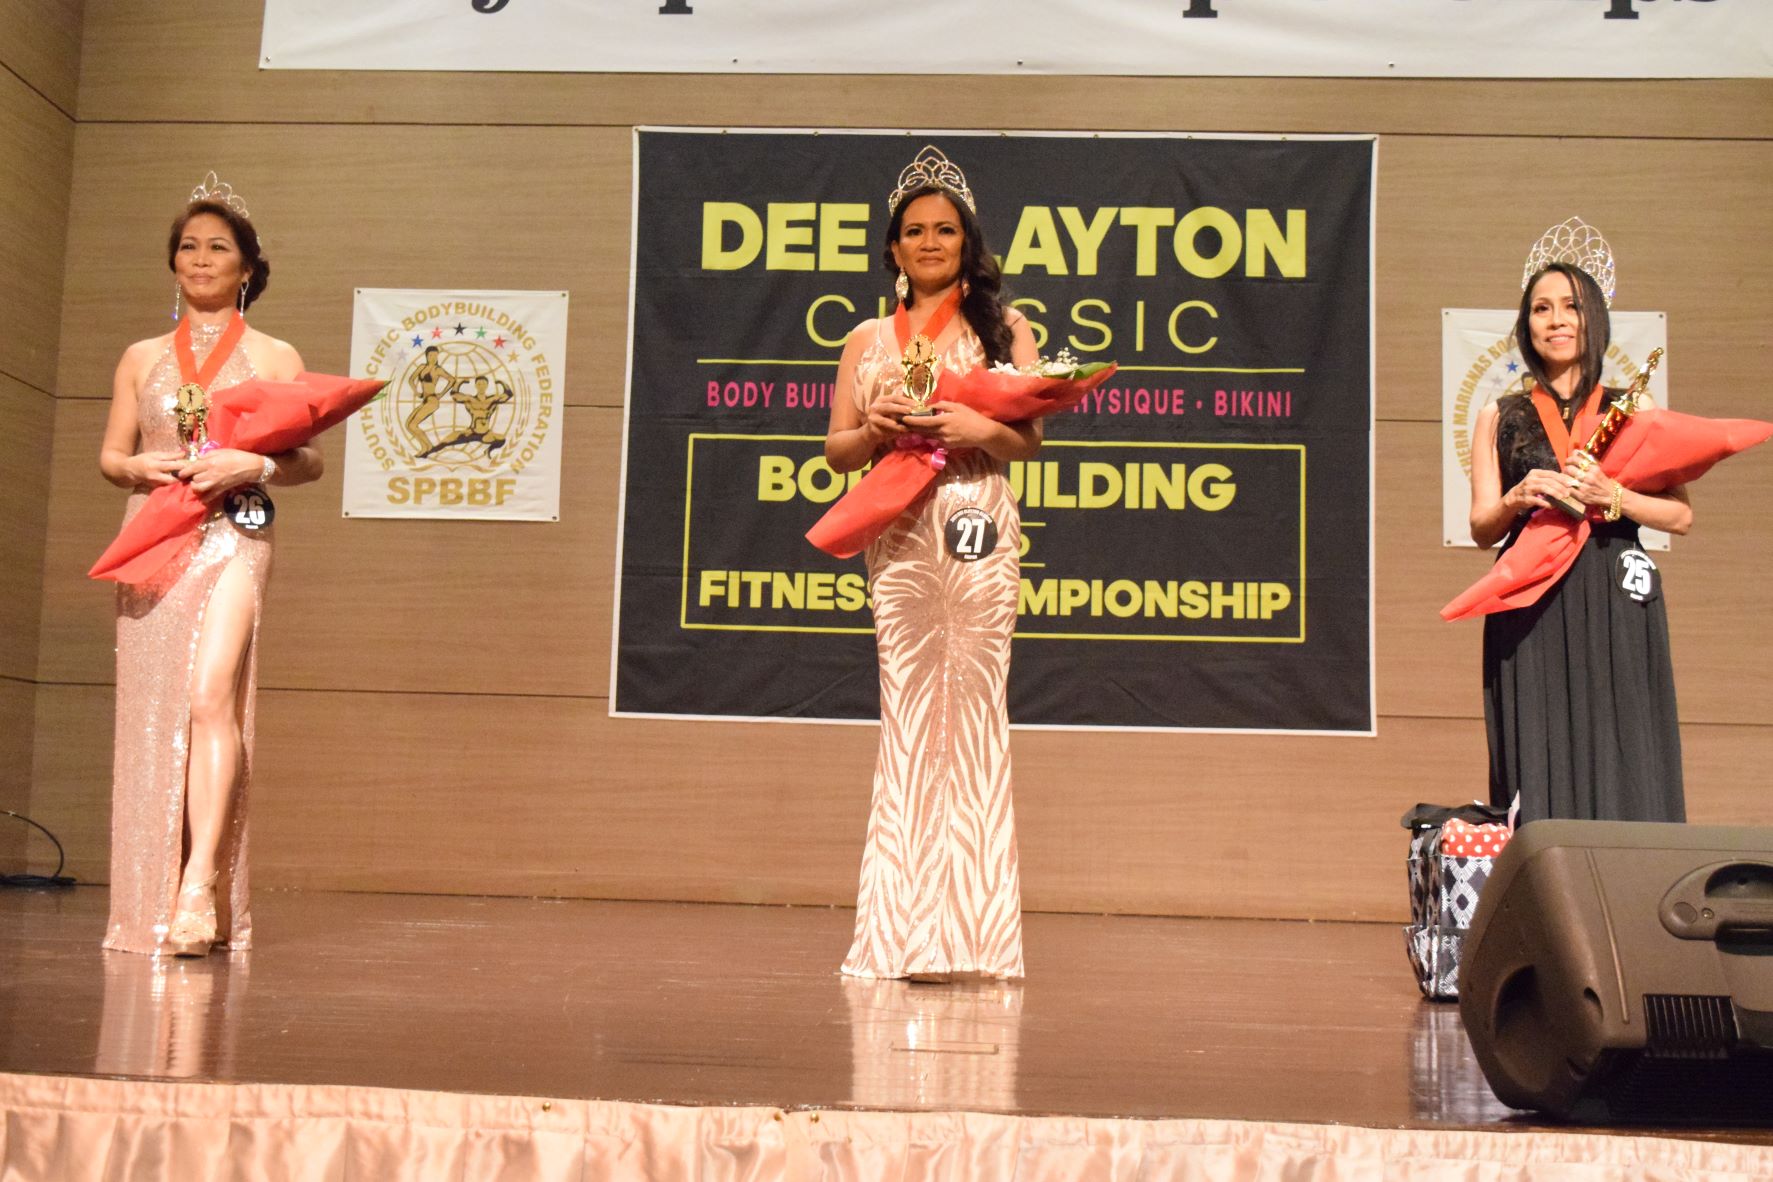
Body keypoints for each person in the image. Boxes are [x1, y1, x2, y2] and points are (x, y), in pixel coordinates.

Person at [824, 146, 1040, 980]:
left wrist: (978, 430)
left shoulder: (1003, 329)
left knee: (976, 715)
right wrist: (877, 431)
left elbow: (1027, 437)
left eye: (943, 229)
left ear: (967, 241)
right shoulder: (867, 338)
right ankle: (900, 931)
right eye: (913, 231)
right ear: (891, 248)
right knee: (910, 722)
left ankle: (976, 935)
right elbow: (838, 452)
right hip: (901, 537)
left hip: (977, 524)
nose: (928, 242)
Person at [97, 173, 323, 956]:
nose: (200, 259)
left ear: (247, 269)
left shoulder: (271, 354)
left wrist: (245, 467)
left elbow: (306, 462)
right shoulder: (141, 356)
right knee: (156, 710)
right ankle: (146, 900)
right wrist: (142, 470)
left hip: (232, 530)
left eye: (217, 247)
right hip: (155, 529)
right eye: (188, 247)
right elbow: (110, 455)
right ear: (173, 264)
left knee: (208, 695)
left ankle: (199, 890)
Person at [1466, 218, 1690, 823]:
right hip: (1529, 590)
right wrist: (1518, 499)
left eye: (1570, 306)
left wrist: (1611, 494)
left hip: (1612, 587)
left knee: (1624, 740)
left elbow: (1680, 514)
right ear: (1526, 324)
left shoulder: (1633, 406)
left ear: (1593, 318)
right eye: (1541, 308)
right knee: (1537, 743)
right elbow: (1482, 527)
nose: (1556, 319)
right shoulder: (1500, 413)